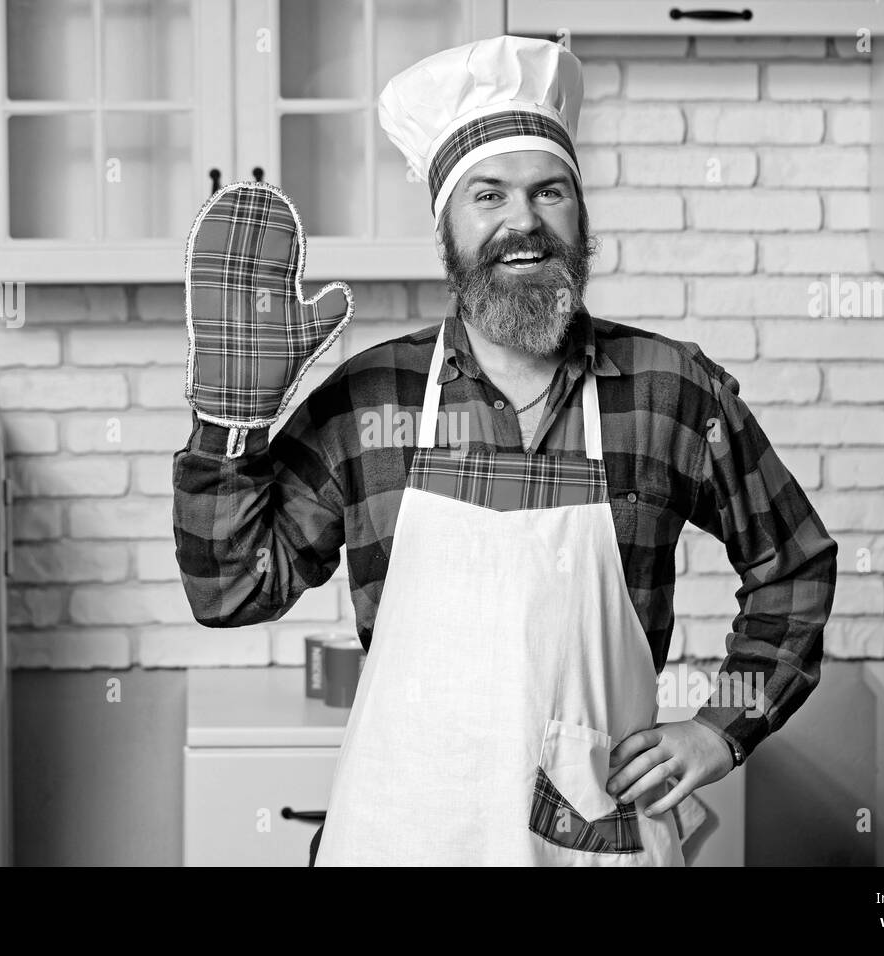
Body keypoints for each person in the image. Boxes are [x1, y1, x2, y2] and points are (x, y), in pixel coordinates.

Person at [174, 35, 837, 866]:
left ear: (580, 216)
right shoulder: (372, 397)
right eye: (487, 195)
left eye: (549, 191)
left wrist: (721, 729)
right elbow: (233, 591)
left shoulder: (670, 390)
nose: (523, 220)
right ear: (448, 228)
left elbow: (795, 564)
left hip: (590, 844)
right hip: (400, 837)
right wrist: (228, 425)